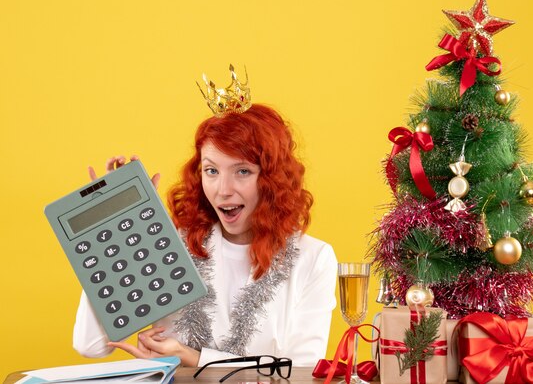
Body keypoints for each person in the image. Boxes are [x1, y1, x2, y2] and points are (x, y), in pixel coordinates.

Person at [72, 69, 338, 368]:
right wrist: (115, 228)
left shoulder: (314, 258)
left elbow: (300, 370)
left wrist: (193, 358)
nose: (223, 190)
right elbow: (91, 345)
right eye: (211, 170)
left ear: (273, 179)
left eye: (243, 172)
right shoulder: (171, 245)